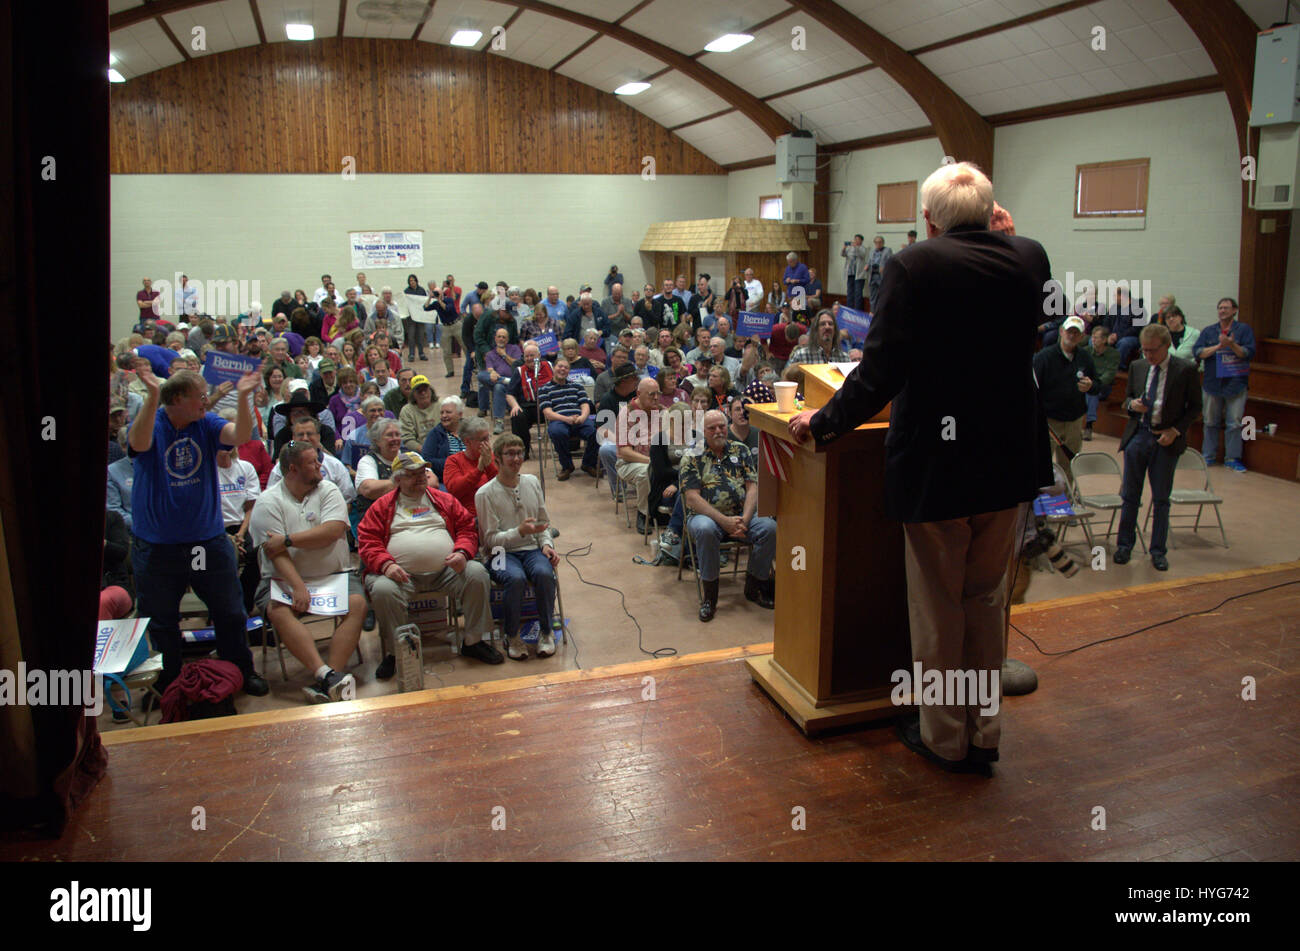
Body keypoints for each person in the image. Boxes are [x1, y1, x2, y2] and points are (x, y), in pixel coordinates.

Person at [788, 161, 1053, 775]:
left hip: (939, 466)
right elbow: (1033, 312)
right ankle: (985, 734)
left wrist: (822, 423)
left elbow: (879, 373)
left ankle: (944, 737)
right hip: (1007, 463)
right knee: (987, 604)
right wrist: (1010, 238)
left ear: (928, 221)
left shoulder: (912, 265)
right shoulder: (1030, 255)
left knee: (938, 607)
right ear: (993, 216)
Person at [126, 367, 269, 696]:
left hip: (204, 543)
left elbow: (242, 435)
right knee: (162, 622)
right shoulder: (154, 422)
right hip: (157, 547)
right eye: (200, 396)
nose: (207, 400)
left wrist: (246, 396)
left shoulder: (205, 424)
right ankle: (170, 683)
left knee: (230, 612)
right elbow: (138, 442)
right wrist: (150, 396)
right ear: (177, 399)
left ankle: (240, 671)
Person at [359, 450, 504, 678]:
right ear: (397, 479)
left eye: (422, 473)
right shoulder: (382, 506)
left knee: (477, 573)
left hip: (446, 570)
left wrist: (462, 553)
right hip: (399, 575)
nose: (420, 478)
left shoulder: (443, 499)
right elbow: (367, 541)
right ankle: (397, 654)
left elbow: (467, 528)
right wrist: (386, 565)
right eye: (411, 474)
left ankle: (473, 641)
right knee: (383, 590)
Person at [249, 441, 366, 703]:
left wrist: (288, 539)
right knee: (278, 609)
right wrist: (297, 585)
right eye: (313, 462)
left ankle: (330, 676)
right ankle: (324, 673)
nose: (320, 465)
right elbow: (274, 552)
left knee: (357, 603)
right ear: (293, 469)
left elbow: (332, 531)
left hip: (335, 574)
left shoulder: (329, 490)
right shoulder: (268, 501)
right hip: (284, 578)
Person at [1114, 324, 1202, 572]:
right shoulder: (1138, 366)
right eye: (1145, 350)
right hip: (1138, 436)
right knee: (1130, 495)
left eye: (1153, 350)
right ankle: (1124, 545)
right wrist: (1133, 405)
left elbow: (1195, 407)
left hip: (1166, 438)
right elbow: (1126, 400)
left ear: (1166, 346)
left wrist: (1176, 431)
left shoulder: (1185, 370)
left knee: (1161, 498)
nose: (1149, 355)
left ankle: (1158, 550)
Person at [680, 409, 776, 620]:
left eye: (721, 426)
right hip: (706, 517)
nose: (718, 431)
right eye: (711, 428)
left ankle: (754, 586)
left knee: (769, 528)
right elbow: (692, 498)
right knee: (705, 530)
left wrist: (746, 519)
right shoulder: (692, 455)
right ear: (702, 432)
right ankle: (710, 598)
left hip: (741, 516)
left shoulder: (740, 450)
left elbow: (753, 487)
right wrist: (724, 522)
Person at [475, 434, 561, 661]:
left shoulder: (532, 482)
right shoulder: (484, 494)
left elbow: (543, 522)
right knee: (515, 578)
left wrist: (546, 544)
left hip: (531, 548)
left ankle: (546, 631)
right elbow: (490, 540)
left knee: (544, 573)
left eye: (519, 453)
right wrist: (519, 531)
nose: (516, 459)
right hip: (500, 553)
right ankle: (512, 635)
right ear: (497, 459)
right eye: (510, 454)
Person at [1193, 297, 1256, 471]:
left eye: (1226, 308)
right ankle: (1208, 456)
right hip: (1212, 383)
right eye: (1220, 308)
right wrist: (1219, 346)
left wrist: (1231, 344)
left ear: (1234, 310)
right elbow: (1198, 352)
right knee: (1210, 421)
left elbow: (1248, 353)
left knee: (1234, 423)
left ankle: (1232, 458)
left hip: (1236, 383)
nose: (1222, 311)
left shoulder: (1243, 330)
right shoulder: (1209, 331)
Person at [1032, 315, 1095, 473]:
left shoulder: (1085, 357)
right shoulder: (1044, 357)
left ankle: (1066, 498)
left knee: (1069, 467)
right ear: (1061, 331)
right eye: (1069, 332)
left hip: (1074, 421)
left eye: (1076, 333)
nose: (1072, 336)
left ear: (1082, 336)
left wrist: (1090, 386)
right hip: (1049, 421)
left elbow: (1097, 385)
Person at [217, 436, 262, 613]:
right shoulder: (207, 471)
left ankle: (243, 604)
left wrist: (241, 535)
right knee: (215, 558)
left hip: (242, 526)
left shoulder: (245, 467)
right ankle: (222, 608)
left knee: (259, 553)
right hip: (216, 528)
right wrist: (228, 539)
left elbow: (251, 506)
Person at [268, 416, 356, 504]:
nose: (305, 438)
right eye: (300, 434)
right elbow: (272, 498)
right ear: (293, 438)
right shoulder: (281, 466)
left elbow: (348, 501)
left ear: (318, 437)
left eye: (310, 434)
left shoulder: (335, 465)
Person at [616, 377, 663, 534]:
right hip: (629, 463)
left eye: (658, 393)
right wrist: (652, 461)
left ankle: (669, 512)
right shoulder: (627, 413)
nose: (656, 398)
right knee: (645, 472)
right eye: (651, 394)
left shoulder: (662, 411)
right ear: (639, 393)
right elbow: (625, 452)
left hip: (657, 460)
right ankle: (644, 514)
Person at [539, 358, 598, 479]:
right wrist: (566, 419)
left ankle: (588, 464)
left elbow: (585, 405)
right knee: (557, 432)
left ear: (569, 371)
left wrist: (582, 417)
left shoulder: (577, 386)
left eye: (566, 368)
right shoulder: (544, 389)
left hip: (579, 420)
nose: (562, 369)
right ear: (554, 368)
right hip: (559, 420)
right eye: (560, 366)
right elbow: (548, 413)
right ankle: (567, 466)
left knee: (596, 432)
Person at [442, 415, 497, 513]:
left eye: (488, 438)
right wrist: (479, 470)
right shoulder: (453, 461)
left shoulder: (492, 457)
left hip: (494, 510)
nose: (487, 443)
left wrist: (489, 465)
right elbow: (455, 490)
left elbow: (502, 486)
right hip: (469, 515)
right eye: (483, 439)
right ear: (467, 442)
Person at [1084, 325, 1119, 441]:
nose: (1093, 340)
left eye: (1096, 338)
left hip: (1103, 386)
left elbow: (1109, 374)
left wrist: (1094, 384)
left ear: (1104, 340)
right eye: (1092, 337)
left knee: (1092, 391)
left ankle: (1089, 425)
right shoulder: (1086, 351)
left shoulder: (1113, 354)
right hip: (1086, 383)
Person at [398, 374, 439, 452]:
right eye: (419, 391)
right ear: (413, 394)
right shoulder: (407, 411)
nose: (423, 393)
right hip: (419, 452)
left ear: (431, 390)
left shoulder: (441, 406)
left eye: (425, 389)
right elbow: (407, 439)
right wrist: (425, 451)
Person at [841, 234, 867, 310]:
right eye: (855, 239)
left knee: (858, 293)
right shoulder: (850, 248)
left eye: (858, 239)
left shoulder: (863, 248)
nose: (855, 241)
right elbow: (843, 255)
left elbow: (862, 255)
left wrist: (856, 247)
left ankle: (857, 310)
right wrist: (844, 248)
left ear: (861, 241)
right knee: (849, 292)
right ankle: (849, 309)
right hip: (850, 273)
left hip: (859, 274)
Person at [866, 236, 892, 314]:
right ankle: (872, 312)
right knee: (873, 295)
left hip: (881, 275)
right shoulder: (872, 252)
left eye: (880, 242)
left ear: (883, 243)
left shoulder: (887, 250)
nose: (878, 244)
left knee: (883, 294)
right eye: (876, 242)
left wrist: (884, 267)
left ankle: (882, 312)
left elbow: (891, 262)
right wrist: (867, 265)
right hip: (872, 274)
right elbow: (869, 261)